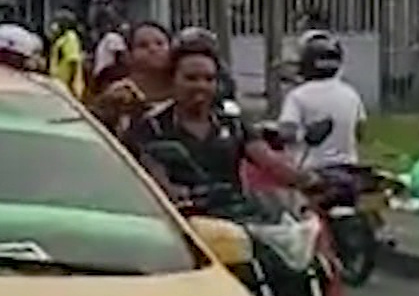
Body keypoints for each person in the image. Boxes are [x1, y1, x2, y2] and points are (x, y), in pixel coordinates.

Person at [127, 44, 314, 201]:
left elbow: (270, 162)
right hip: (183, 227)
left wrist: (313, 181)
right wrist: (184, 195)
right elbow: (157, 183)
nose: (201, 85)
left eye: (209, 79)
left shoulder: (234, 125)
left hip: (236, 221)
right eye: (191, 78)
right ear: (172, 80)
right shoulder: (152, 128)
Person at [279, 34, 367, 175]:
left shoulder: (298, 95)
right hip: (348, 169)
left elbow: (287, 133)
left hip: (311, 172)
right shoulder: (351, 93)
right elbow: (360, 132)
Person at [89, 21, 173, 136]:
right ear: (129, 55)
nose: (153, 49)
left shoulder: (184, 89)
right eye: (143, 45)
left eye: (160, 43)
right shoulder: (116, 96)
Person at [47, 9, 86, 99]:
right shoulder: (61, 38)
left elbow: (73, 62)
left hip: (66, 85)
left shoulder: (70, 37)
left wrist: (71, 86)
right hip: (58, 84)